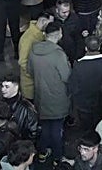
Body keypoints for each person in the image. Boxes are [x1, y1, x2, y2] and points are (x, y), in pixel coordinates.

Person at [29, 20, 71, 160]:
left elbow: (30, 71)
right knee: (56, 130)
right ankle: (58, 157)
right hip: (57, 98)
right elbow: (66, 77)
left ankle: (42, 152)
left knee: (45, 127)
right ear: (59, 34)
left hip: (40, 96)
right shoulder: (58, 54)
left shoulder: (34, 50)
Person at [70, 35, 102, 131]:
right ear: (99, 47)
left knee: (86, 132)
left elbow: (73, 88)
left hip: (84, 107)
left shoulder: (78, 66)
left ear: (86, 48)